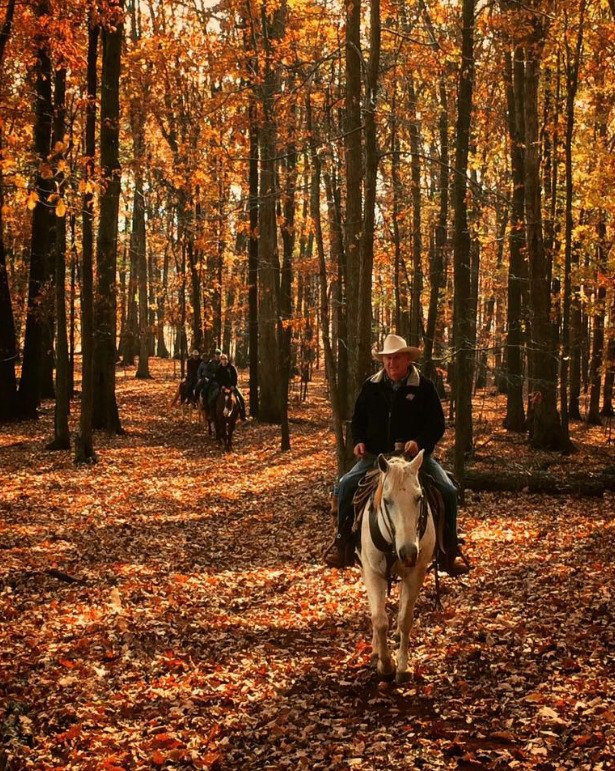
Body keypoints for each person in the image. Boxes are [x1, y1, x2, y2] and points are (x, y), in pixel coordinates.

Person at [326, 334, 469, 577]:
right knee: (346, 485)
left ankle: (450, 550)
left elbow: (437, 425)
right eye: (387, 359)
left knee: (448, 491)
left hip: (413, 462)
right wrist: (359, 442)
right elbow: (357, 421)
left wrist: (419, 442)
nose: (391, 363)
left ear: (406, 359)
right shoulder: (370, 386)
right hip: (376, 459)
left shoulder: (424, 387)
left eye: (396, 358)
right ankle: (342, 543)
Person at [209, 353, 246, 420]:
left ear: (227, 359)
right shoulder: (219, 368)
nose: (224, 360)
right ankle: (212, 415)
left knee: (241, 399)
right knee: (212, 399)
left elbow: (235, 377)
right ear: (221, 360)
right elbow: (217, 378)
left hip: (231, 386)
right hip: (222, 387)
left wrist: (233, 385)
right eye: (223, 359)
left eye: (225, 359)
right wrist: (221, 385)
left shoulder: (232, 367)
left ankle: (242, 416)